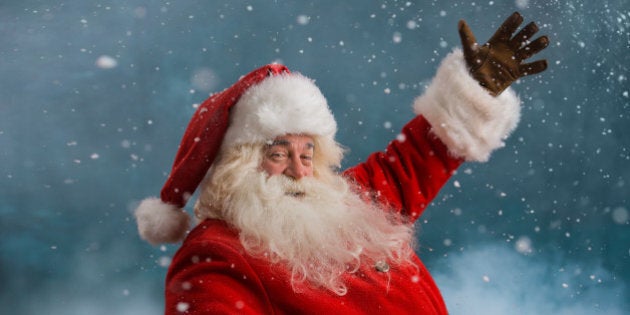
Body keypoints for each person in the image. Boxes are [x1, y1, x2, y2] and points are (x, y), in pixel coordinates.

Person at [134, 12, 549, 314]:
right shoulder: (214, 253)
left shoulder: (348, 202)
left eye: (307, 152)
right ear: (239, 167)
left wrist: (474, 89)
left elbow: (416, 158)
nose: (299, 169)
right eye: (278, 154)